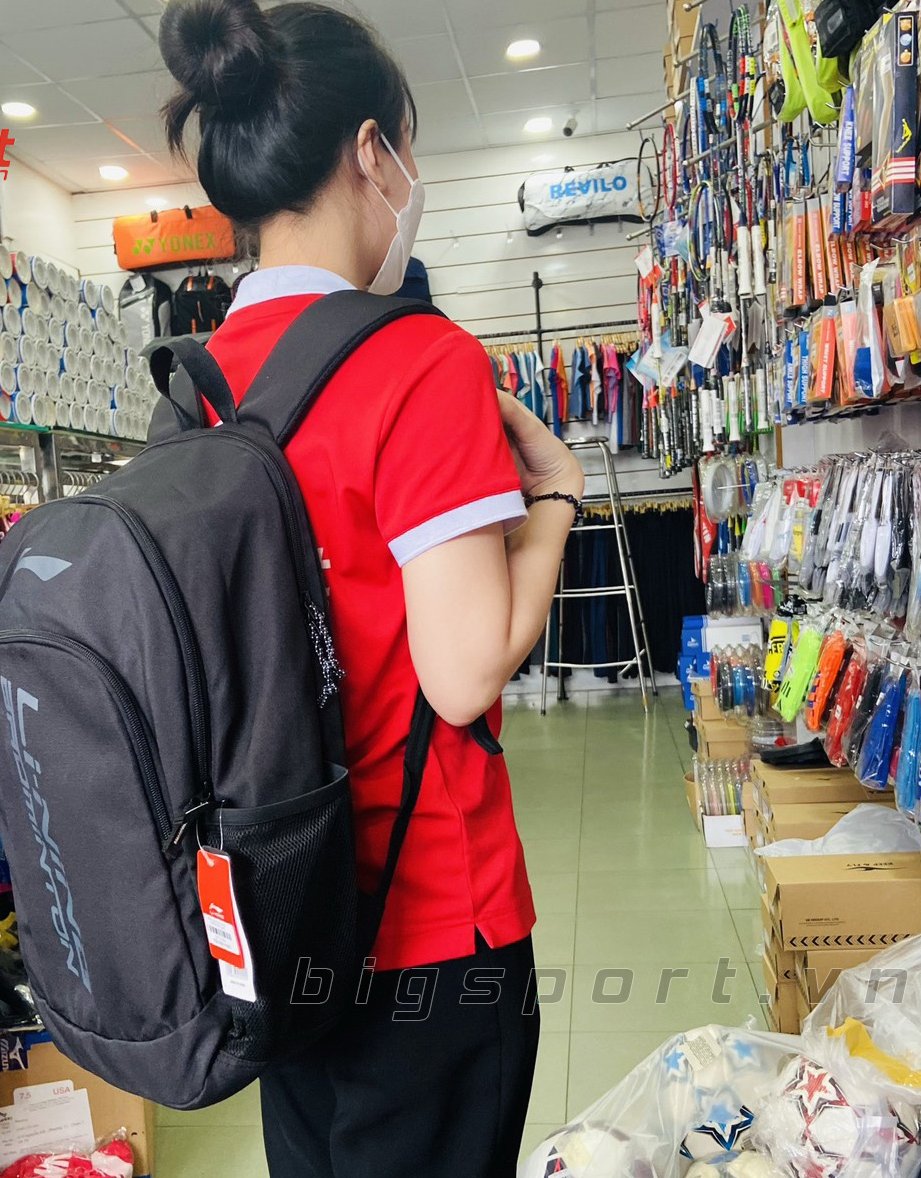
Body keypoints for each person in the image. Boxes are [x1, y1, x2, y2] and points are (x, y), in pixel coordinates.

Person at [158, 2, 585, 1175]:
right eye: (406, 146)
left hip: (273, 909)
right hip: (429, 915)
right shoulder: (417, 358)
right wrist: (555, 497)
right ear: (368, 153)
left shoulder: (198, 383)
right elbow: (461, 673)